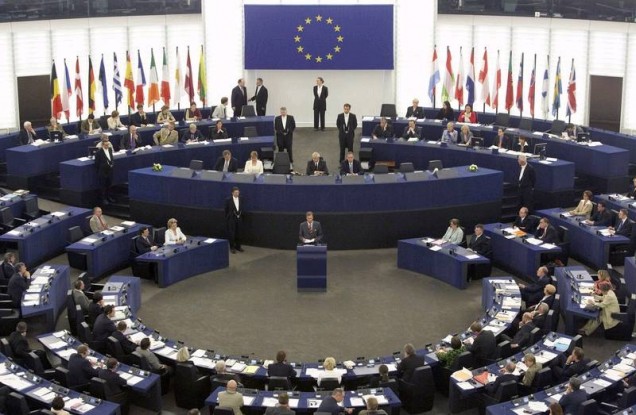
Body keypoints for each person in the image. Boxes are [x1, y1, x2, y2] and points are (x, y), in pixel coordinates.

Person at [95, 139, 115, 204]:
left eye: (108, 145)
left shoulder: (110, 149)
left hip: (109, 170)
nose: (107, 146)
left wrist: (112, 164)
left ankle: (109, 197)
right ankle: (103, 199)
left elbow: (111, 158)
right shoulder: (98, 152)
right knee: (103, 186)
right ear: (102, 145)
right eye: (106, 145)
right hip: (102, 171)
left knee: (109, 185)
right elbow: (97, 163)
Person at [225, 187, 244, 254]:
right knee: (232, 234)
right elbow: (226, 210)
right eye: (236, 192)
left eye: (238, 192)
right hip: (231, 219)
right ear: (232, 193)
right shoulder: (228, 200)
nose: (237, 193)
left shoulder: (241, 199)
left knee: (239, 233)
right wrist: (228, 218)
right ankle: (232, 247)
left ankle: (238, 246)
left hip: (239, 218)